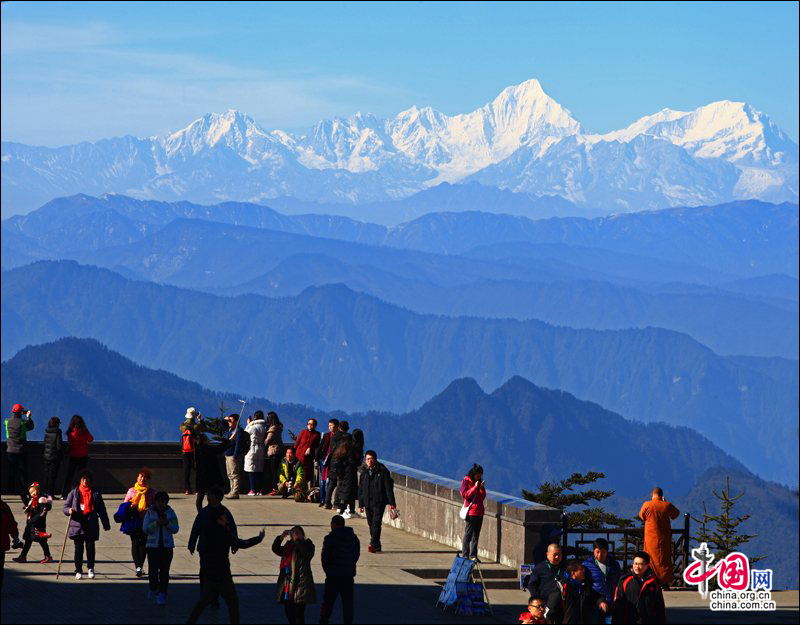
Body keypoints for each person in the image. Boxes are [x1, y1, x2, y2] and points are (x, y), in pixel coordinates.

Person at [187, 485, 265, 624]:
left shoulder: (218, 518)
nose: (207, 497)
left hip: (213, 568)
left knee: (206, 600)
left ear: (216, 498)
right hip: (220, 571)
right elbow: (240, 541)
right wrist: (257, 539)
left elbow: (233, 533)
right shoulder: (216, 525)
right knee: (230, 602)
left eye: (210, 495)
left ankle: (203, 606)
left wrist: (235, 543)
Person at [63, 470, 110, 580]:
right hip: (77, 523)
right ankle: (78, 570)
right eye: (83, 478)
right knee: (78, 548)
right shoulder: (74, 492)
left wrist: (105, 523)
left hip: (91, 523)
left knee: (90, 547)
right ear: (80, 480)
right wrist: (68, 510)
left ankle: (90, 568)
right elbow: (65, 506)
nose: (85, 481)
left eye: (87, 478)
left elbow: (101, 509)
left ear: (90, 480)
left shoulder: (95, 493)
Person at [319, 515, 360, 625]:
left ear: (333, 524)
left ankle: (324, 620)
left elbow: (325, 557)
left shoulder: (330, 538)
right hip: (348, 575)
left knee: (328, 602)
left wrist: (328, 570)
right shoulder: (354, 538)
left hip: (333, 575)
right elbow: (356, 555)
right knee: (347, 603)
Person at [273, 525, 317, 624]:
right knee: (288, 612)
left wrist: (297, 541)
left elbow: (306, 553)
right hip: (288, 584)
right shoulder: (288, 546)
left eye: (298, 532)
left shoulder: (308, 545)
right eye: (294, 533)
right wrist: (281, 537)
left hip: (301, 584)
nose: (296, 534)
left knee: (298, 614)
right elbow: (275, 549)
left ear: (302, 535)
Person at [143, 491, 179, 605]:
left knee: (164, 572)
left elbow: (175, 528)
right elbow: (145, 529)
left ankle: (162, 594)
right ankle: (153, 587)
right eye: (159, 501)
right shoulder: (150, 513)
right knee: (153, 571)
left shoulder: (171, 513)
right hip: (153, 547)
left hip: (167, 547)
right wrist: (157, 524)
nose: (161, 504)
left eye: (163, 502)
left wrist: (167, 523)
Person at [639, 487, 680, 587]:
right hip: (664, 539)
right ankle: (664, 582)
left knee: (650, 559)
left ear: (652, 495)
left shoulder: (647, 504)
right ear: (661, 496)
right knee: (664, 560)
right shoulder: (667, 505)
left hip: (650, 539)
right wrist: (665, 502)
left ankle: (650, 580)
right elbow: (676, 514)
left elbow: (641, 516)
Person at [357, 450, 396, 554]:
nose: (369, 461)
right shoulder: (364, 472)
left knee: (376, 524)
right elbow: (360, 489)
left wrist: (392, 504)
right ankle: (377, 545)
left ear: (375, 459)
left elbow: (388, 488)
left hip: (379, 502)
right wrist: (361, 504)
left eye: (371, 459)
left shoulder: (382, 471)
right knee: (370, 524)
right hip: (367, 502)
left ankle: (372, 543)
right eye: (367, 459)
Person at [613, 552, 666, 624]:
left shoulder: (653, 582)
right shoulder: (625, 581)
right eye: (635, 563)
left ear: (647, 565)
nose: (637, 567)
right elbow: (618, 605)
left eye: (640, 564)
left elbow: (660, 607)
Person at [123, 467, 155, 577]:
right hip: (134, 520)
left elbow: (155, 506)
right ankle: (138, 567)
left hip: (146, 521)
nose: (143, 479)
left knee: (144, 544)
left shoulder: (151, 492)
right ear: (137, 477)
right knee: (135, 543)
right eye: (141, 476)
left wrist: (150, 508)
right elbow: (124, 504)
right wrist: (130, 506)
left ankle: (140, 566)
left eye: (145, 477)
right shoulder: (132, 491)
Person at [12, 482, 53, 564]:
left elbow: (42, 513)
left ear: (38, 491)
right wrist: (23, 494)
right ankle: (23, 556)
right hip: (31, 524)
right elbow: (27, 503)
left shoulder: (41, 500)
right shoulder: (32, 500)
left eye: (34, 491)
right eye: (31, 492)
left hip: (38, 524)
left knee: (40, 540)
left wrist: (33, 520)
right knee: (28, 539)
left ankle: (48, 556)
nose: (33, 493)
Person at [582, 537, 621, 624]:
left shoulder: (614, 565)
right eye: (597, 552)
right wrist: (599, 600)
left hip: (612, 604)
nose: (600, 555)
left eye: (603, 552)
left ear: (607, 551)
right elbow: (586, 587)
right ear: (593, 551)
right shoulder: (587, 565)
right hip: (594, 605)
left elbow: (619, 583)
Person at [5, 403, 34, 502]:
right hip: (21, 450)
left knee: (11, 471)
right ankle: (23, 489)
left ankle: (10, 489)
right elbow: (31, 427)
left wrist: (21, 414)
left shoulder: (7, 422)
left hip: (10, 450)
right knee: (22, 472)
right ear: (21, 412)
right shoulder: (23, 423)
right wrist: (28, 417)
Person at [194, 433, 229, 514]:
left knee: (200, 496)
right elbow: (218, 449)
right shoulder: (207, 449)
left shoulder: (197, 449)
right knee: (211, 495)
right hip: (209, 476)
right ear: (205, 440)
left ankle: (200, 513)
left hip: (200, 476)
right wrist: (228, 442)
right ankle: (211, 511)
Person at [527, 543, 566, 616]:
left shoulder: (565, 567)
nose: (557, 557)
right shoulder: (540, 568)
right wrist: (538, 600)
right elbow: (532, 585)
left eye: (559, 554)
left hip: (561, 604)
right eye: (555, 555)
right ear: (547, 554)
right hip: (545, 604)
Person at [60, 415, 93, 499]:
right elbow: (90, 439)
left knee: (69, 475)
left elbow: (70, 442)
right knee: (83, 476)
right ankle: (81, 492)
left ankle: (64, 493)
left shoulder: (70, 432)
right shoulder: (84, 431)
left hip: (73, 455)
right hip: (83, 456)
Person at [460, 463, 486, 560]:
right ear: (474, 474)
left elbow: (482, 497)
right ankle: (465, 555)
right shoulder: (466, 481)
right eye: (478, 475)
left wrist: (482, 488)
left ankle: (473, 555)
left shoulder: (479, 482)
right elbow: (465, 494)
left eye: (481, 475)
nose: (479, 477)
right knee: (468, 535)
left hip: (479, 511)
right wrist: (475, 487)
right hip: (471, 512)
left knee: (476, 535)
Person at [324, 421, 351, 509]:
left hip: (333, 461)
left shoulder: (334, 436)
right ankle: (336, 503)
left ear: (339, 427)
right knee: (340, 483)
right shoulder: (348, 437)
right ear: (347, 428)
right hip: (342, 463)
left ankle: (327, 502)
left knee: (331, 483)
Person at [331, 440, 358, 517]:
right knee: (346, 494)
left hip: (341, 477)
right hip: (347, 476)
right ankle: (344, 510)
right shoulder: (348, 458)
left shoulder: (338, 456)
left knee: (342, 492)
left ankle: (341, 508)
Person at [180, 407, 203, 495]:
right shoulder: (196, 426)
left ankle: (187, 489)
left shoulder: (183, 426)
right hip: (195, 450)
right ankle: (198, 489)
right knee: (198, 470)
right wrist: (200, 420)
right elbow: (202, 429)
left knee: (187, 470)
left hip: (185, 450)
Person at [317, 419, 339, 507]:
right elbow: (320, 447)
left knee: (328, 481)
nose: (329, 427)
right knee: (323, 481)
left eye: (331, 425)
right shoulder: (326, 436)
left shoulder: (338, 436)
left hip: (333, 462)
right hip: (324, 460)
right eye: (329, 425)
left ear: (336, 426)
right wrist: (317, 459)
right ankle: (323, 500)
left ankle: (327, 500)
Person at [244, 411, 267, 496]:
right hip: (261, 449)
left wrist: (248, 424)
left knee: (251, 470)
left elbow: (245, 433)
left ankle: (252, 489)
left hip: (252, 449)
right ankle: (260, 490)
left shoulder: (253, 427)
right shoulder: (264, 426)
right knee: (259, 470)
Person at [223, 413, 246, 499]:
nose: (229, 422)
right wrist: (225, 420)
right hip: (227, 454)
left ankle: (235, 492)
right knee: (230, 474)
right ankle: (231, 490)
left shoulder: (238, 430)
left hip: (232, 455)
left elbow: (238, 444)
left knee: (234, 474)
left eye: (230, 420)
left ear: (236, 421)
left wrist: (235, 455)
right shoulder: (230, 430)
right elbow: (222, 427)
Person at [293, 418, 320, 489]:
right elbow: (296, 443)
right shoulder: (303, 432)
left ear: (315, 425)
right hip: (299, 456)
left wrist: (310, 448)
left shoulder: (317, 434)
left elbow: (317, 445)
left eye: (312, 424)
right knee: (298, 472)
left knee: (308, 475)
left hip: (309, 458)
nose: (310, 426)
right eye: (309, 424)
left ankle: (306, 491)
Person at [1, 498, 21, 588]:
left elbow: (11, 523)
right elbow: (11, 524)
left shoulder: (4, 507)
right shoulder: (4, 506)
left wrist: (15, 536)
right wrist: (15, 536)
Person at [42, 417, 64, 499]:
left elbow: (44, 444)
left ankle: (45, 492)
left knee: (47, 475)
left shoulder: (46, 432)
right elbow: (59, 446)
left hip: (46, 456)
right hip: (54, 457)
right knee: (52, 476)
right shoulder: (57, 433)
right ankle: (50, 494)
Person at [265, 411, 284, 495]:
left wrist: (264, 442)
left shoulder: (273, 428)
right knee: (278, 471)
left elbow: (268, 440)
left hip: (274, 451)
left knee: (274, 471)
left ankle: (275, 488)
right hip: (279, 451)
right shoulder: (278, 427)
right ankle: (278, 487)